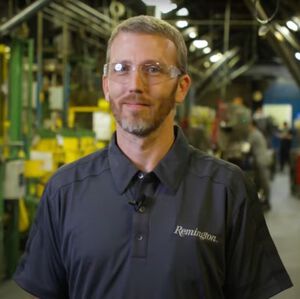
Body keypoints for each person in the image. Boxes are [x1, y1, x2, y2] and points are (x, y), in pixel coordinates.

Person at [14, 15, 292, 299]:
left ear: (182, 87)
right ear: (107, 85)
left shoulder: (228, 190)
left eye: (153, 69)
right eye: (122, 68)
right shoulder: (64, 190)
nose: (135, 84)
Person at [248, 120, 272, 211]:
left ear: (252, 125)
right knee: (259, 182)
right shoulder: (257, 133)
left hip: (261, 160)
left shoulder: (254, 134)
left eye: (248, 126)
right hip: (261, 160)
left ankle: (267, 202)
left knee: (264, 182)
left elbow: (247, 146)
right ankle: (261, 201)